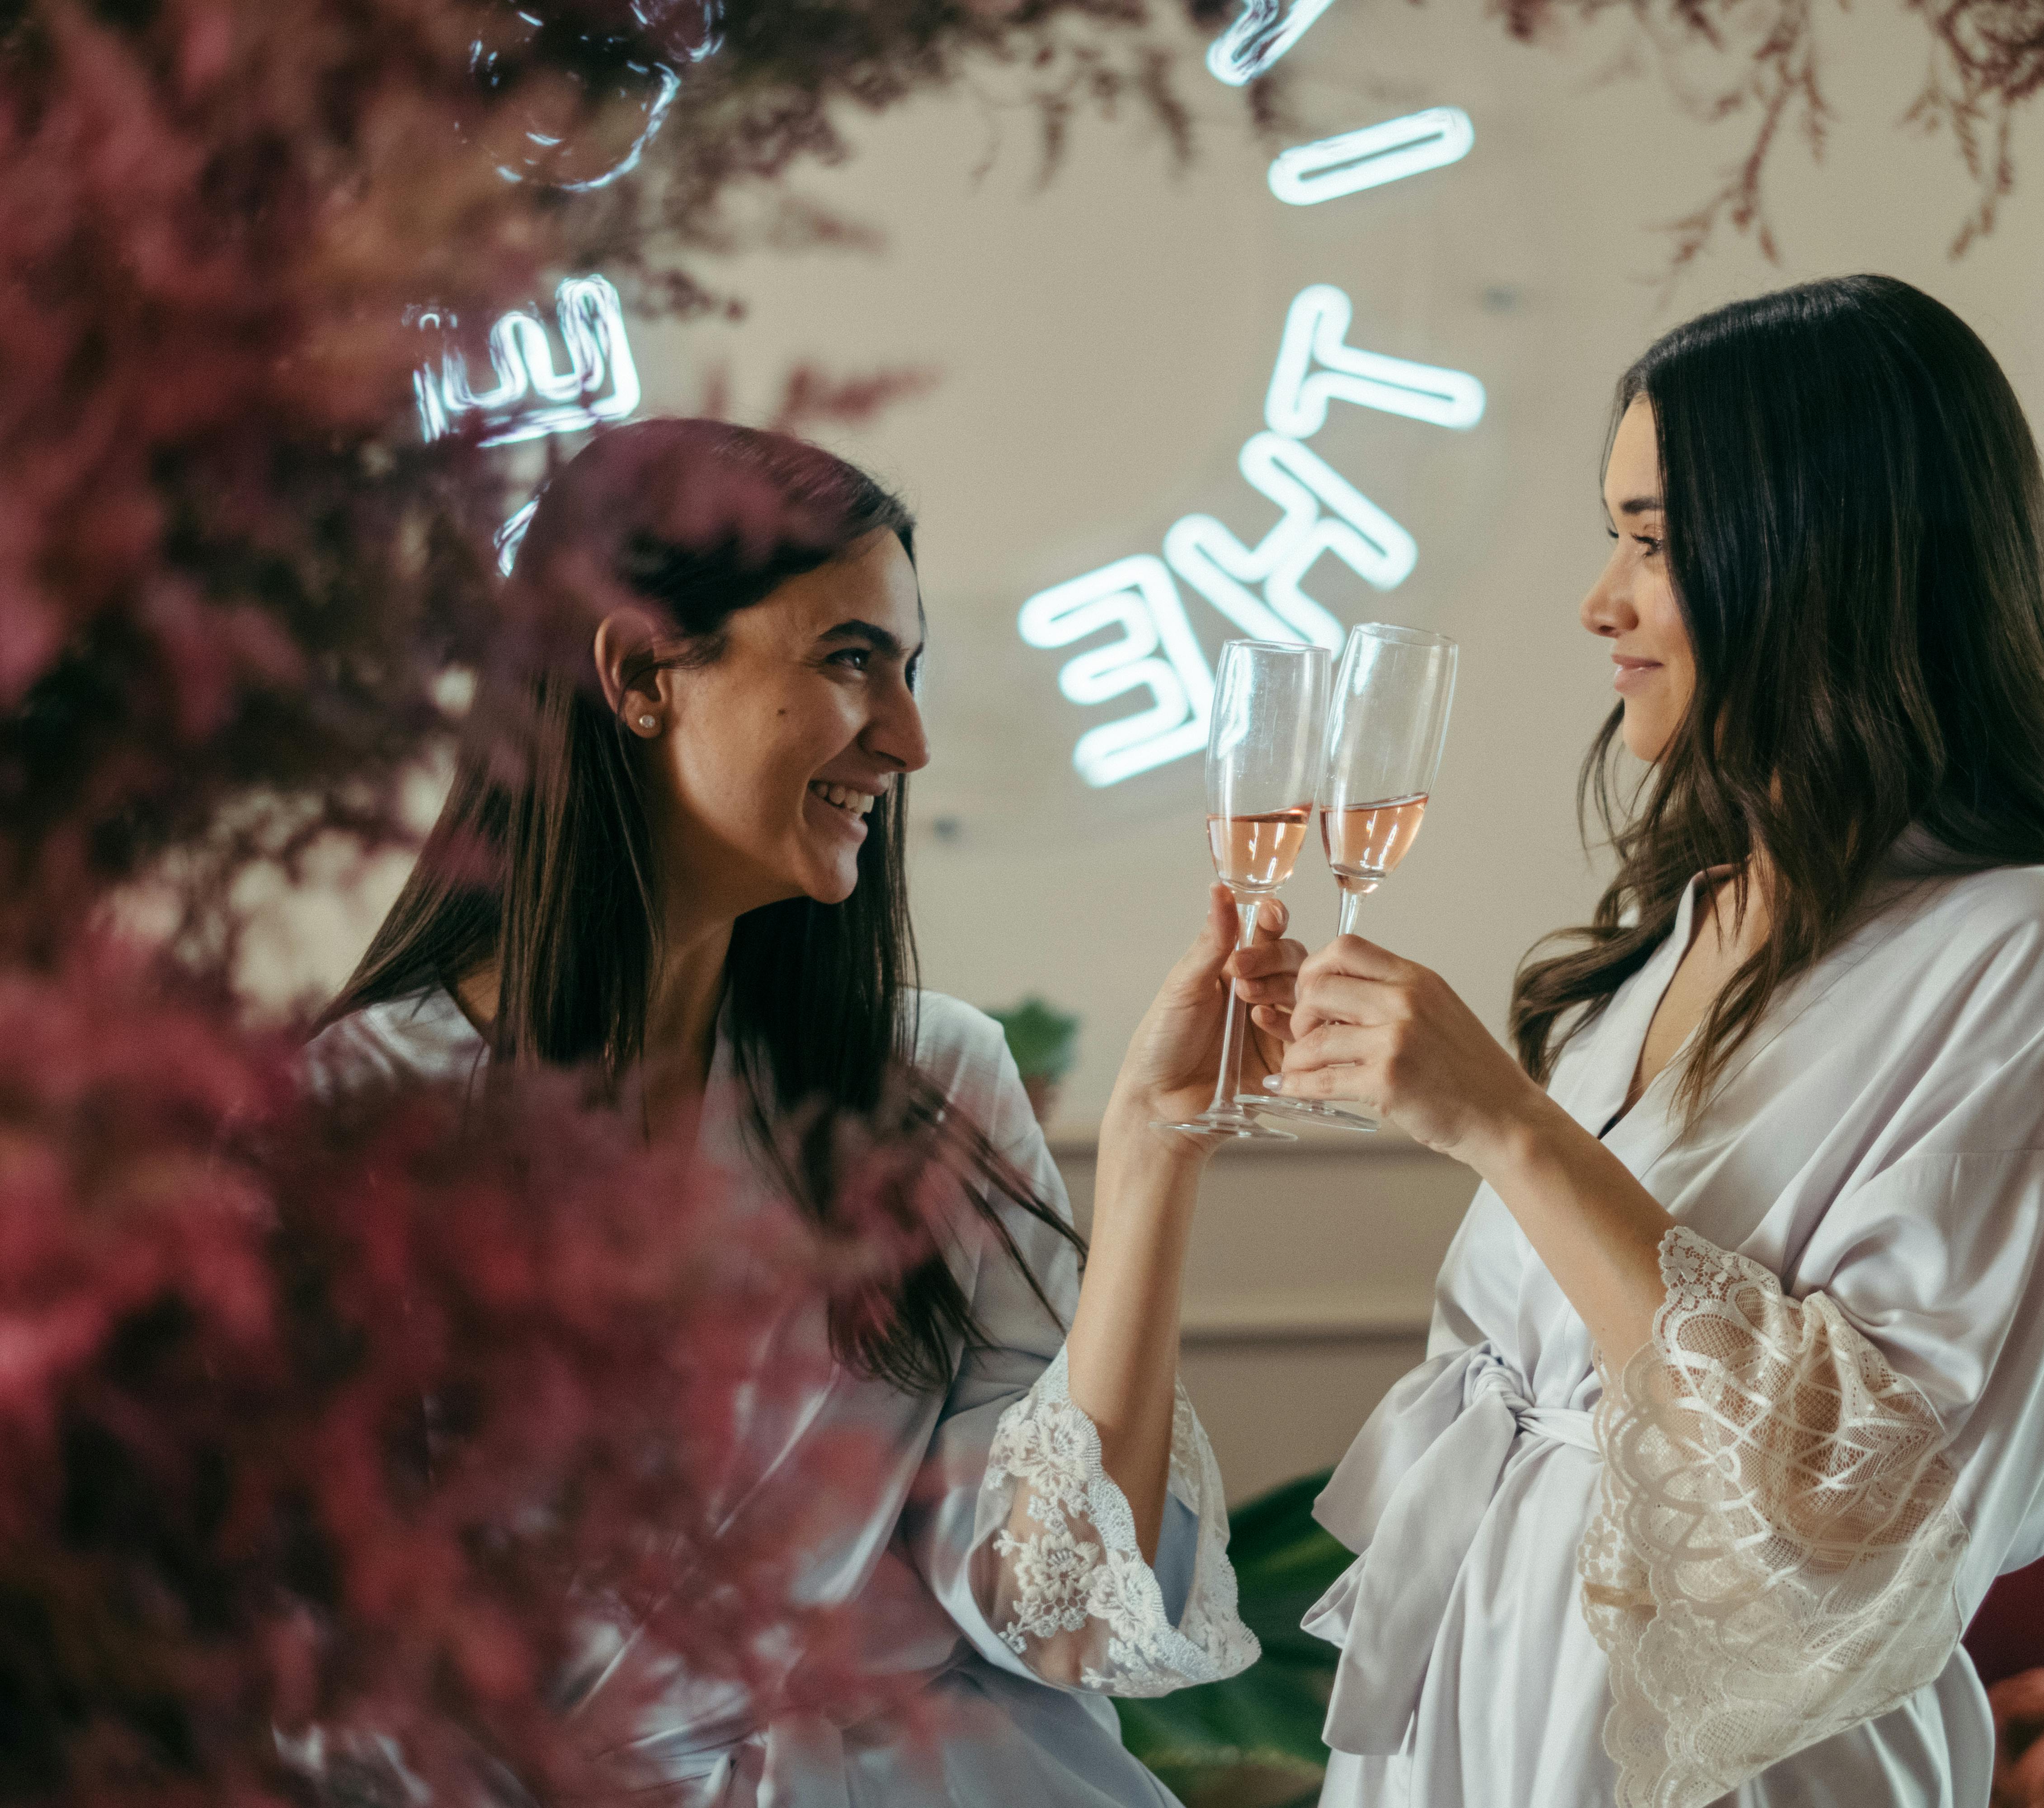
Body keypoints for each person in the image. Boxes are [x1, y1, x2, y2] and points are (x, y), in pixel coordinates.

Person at [1251, 277, 2044, 1808]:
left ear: (1822, 560)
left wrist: (1498, 1122)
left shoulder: (2034, 948)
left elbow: (1868, 1501)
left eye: (1656, 543)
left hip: (1731, 1762)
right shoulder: (1671, 935)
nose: (1602, 601)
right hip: (1479, 1716)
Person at [306, 419, 1305, 1805]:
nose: (908, 739)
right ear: (642, 673)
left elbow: (1061, 1610)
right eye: (851, 661)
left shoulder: (932, 1083)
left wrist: (1150, 1158)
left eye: (909, 671)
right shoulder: (362, 1119)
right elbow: (323, 1676)